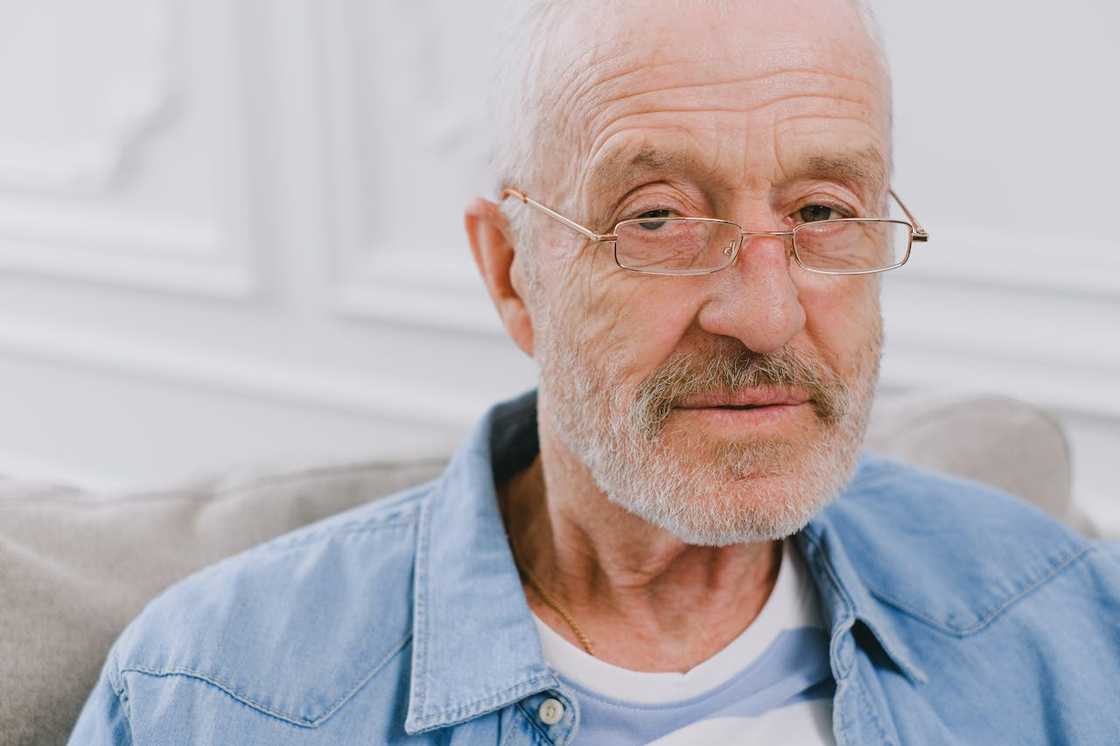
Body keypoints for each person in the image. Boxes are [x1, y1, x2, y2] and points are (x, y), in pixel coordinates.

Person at [70, 0, 1120, 743]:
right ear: (510, 272)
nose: (764, 312)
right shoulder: (208, 696)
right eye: (656, 216)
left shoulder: (1065, 620)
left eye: (818, 213)